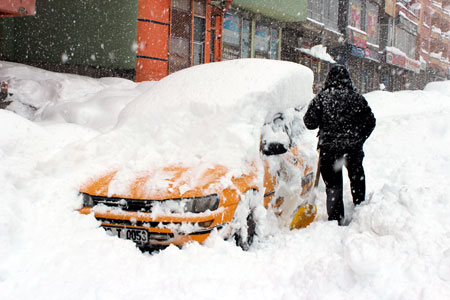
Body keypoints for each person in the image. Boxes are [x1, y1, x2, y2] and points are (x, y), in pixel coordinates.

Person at [303, 64, 376, 225]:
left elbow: (309, 122)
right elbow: (371, 122)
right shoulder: (357, 98)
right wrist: (359, 138)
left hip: (329, 151)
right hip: (353, 150)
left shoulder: (322, 98)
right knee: (357, 179)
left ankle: (336, 219)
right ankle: (360, 208)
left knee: (333, 186)